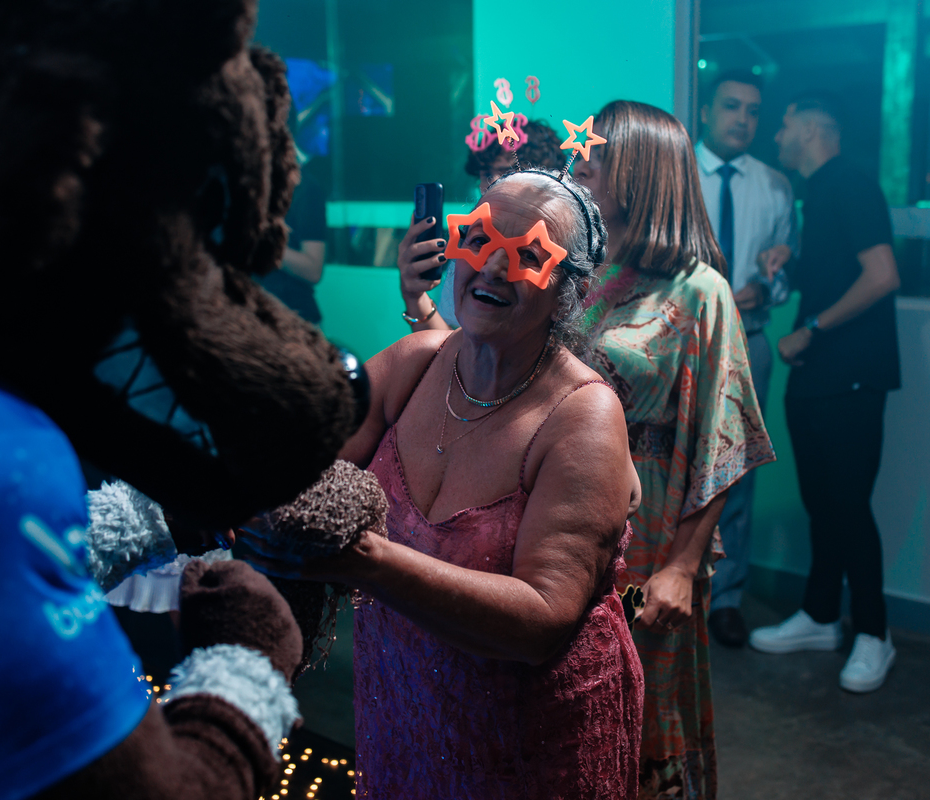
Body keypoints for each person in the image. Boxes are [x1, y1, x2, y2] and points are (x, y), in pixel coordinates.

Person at [242, 170, 645, 798]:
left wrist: (366, 560)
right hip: (403, 704)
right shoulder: (414, 363)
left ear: (572, 290)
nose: (492, 268)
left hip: (527, 740)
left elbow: (543, 620)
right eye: (478, 240)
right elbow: (303, 467)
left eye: (528, 255)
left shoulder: (583, 416)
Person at [574, 100, 776, 799]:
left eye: (594, 154)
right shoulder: (581, 270)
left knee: (638, 703)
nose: (578, 165)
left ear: (640, 170)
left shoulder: (700, 290)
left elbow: (725, 437)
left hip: (649, 525)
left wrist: (684, 569)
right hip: (559, 506)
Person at [748, 94, 902, 694]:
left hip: (851, 375)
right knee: (823, 503)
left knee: (848, 506)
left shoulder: (850, 183)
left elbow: (882, 276)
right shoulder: (818, 193)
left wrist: (812, 328)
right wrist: (791, 259)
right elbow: (838, 270)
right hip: (817, 376)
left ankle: (875, 633)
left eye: (784, 124)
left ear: (811, 129)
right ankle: (819, 615)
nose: (776, 135)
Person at [695, 69, 795, 647]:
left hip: (748, 341)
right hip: (683, 340)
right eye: (731, 106)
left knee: (735, 469)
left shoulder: (775, 185)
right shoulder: (679, 175)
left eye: (753, 111)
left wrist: (768, 288)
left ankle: (726, 598)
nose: (742, 119)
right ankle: (661, 584)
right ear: (706, 111)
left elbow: (785, 270)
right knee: (668, 462)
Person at [399, 120, 565, 331]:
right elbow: (455, 342)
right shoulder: (466, 246)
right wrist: (415, 297)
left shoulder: (565, 248)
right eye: (486, 174)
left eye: (528, 255)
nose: (492, 184)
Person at [262, 170, 328, 324]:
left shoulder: (304, 188)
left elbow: (313, 270)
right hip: (244, 315)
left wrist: (262, 241)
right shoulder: (233, 184)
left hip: (289, 319)